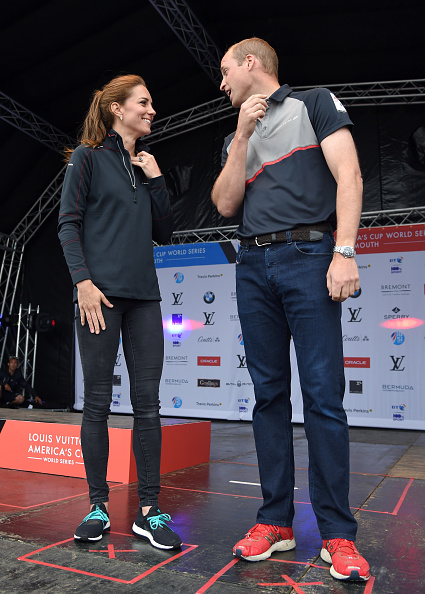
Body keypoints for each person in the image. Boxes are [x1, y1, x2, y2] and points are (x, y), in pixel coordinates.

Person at [212, 38, 370, 582]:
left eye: (226, 70)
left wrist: (344, 252)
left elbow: (349, 177)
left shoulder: (316, 102)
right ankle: (275, 522)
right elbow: (225, 204)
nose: (223, 81)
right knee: (268, 397)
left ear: (251, 63)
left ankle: (337, 534)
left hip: (309, 255)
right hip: (252, 266)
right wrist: (241, 136)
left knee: (323, 398)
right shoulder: (238, 131)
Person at [58, 74, 181, 550]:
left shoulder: (144, 165)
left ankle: (148, 511)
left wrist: (156, 178)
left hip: (144, 299)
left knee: (148, 407)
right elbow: (67, 225)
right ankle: (97, 506)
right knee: (97, 404)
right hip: (100, 299)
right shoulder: (87, 158)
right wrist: (83, 283)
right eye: (143, 103)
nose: (152, 110)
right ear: (116, 109)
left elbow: (165, 234)